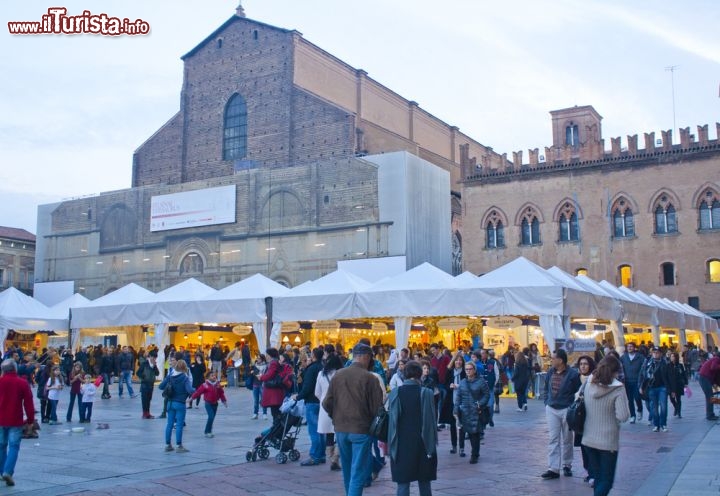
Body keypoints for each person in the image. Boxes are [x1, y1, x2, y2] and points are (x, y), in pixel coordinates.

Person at [322, 343, 384, 496]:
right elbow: (377, 409)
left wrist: (336, 416)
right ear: (367, 357)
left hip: (341, 428)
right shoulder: (370, 378)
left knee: (348, 470)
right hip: (361, 429)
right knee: (358, 471)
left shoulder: (338, 375)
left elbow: (326, 403)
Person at [581, 355, 631, 496]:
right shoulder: (618, 388)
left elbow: (577, 398)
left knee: (597, 478)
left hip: (588, 438)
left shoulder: (589, 381)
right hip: (608, 441)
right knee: (606, 481)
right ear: (615, 372)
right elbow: (623, 416)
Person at [388, 360, 437, 496]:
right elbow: (432, 421)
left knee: (403, 483)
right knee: (424, 482)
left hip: (401, 444)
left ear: (405, 374)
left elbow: (392, 423)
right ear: (420, 374)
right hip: (423, 443)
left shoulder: (395, 393)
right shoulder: (426, 393)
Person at [541, 348, 581, 479]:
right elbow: (546, 387)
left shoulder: (573, 374)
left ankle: (567, 465)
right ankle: (553, 468)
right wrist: (546, 401)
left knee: (567, 438)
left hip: (566, 409)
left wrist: (572, 406)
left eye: (553, 358)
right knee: (553, 438)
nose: (551, 360)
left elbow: (578, 391)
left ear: (560, 360)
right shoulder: (550, 372)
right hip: (552, 409)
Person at [0, 359, 35, 486]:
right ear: (15, 369)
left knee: (1, 446)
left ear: (3, 370)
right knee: (14, 446)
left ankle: (2, 471)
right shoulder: (22, 383)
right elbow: (29, 403)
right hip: (15, 420)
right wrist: (30, 420)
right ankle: (7, 472)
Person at [454, 360, 489, 464]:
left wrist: (479, 403)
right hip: (465, 411)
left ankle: (474, 454)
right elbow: (458, 397)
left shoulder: (481, 381)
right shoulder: (463, 382)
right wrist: (456, 409)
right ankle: (473, 452)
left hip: (476, 411)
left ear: (474, 370)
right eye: (466, 369)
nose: (468, 371)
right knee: (468, 432)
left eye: (470, 369)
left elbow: (486, 395)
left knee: (475, 434)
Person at [295, 346, 325, 466]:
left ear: (313, 356)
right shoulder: (323, 367)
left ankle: (314, 456)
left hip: (311, 401)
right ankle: (322, 454)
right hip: (321, 401)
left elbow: (307, 387)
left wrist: (298, 396)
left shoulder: (311, 369)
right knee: (321, 430)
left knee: (314, 430)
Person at [159, 359, 195, 453]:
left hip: (170, 403)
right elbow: (190, 390)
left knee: (169, 424)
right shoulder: (185, 378)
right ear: (184, 368)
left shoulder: (170, 376)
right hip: (180, 403)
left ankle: (168, 445)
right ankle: (179, 445)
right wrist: (197, 390)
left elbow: (160, 386)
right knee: (179, 425)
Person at [316, 350, 344, 472]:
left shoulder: (321, 374)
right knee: (340, 434)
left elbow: (317, 392)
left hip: (325, 407)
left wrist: (324, 399)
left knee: (329, 434)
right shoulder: (341, 374)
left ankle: (331, 457)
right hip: (340, 406)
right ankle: (335, 459)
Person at [575, 355, 596, 485]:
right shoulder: (576, 379)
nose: (583, 366)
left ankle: (594, 473)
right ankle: (588, 470)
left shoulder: (594, 379)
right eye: (581, 364)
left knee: (591, 446)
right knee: (583, 446)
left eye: (586, 364)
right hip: (579, 418)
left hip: (593, 417)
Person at [639, 346, 671, 432]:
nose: (655, 354)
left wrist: (671, 390)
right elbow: (643, 375)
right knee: (654, 407)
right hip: (651, 387)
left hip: (662, 387)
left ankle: (663, 424)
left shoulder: (665, 363)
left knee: (663, 406)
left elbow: (669, 377)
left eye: (657, 352)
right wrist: (641, 386)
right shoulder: (648, 363)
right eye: (654, 352)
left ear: (660, 354)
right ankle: (656, 425)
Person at [189, 370, 227, 438]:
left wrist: (224, 401)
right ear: (208, 377)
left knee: (212, 418)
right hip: (208, 403)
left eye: (214, 375)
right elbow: (198, 392)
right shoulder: (205, 385)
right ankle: (207, 431)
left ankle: (210, 430)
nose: (214, 377)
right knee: (211, 416)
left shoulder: (218, 384)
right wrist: (192, 398)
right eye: (212, 376)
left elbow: (221, 393)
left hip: (215, 403)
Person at [446, 352, 466, 456]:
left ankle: (462, 448)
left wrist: (458, 386)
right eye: (456, 360)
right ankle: (454, 446)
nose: (458, 362)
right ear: (453, 361)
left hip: (462, 402)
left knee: (461, 425)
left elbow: (467, 386)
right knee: (453, 425)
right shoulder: (449, 372)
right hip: (451, 401)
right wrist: (449, 386)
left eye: (460, 360)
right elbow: (445, 384)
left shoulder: (465, 372)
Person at [259, 348, 287, 421]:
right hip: (275, 391)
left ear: (270, 355)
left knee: (275, 413)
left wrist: (261, 377)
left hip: (274, 392)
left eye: (267, 354)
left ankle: (277, 429)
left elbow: (270, 375)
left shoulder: (273, 362)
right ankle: (277, 429)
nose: (266, 356)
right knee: (276, 412)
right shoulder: (275, 362)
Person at [620, 342, 644, 423]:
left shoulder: (640, 357)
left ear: (634, 348)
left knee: (637, 397)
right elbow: (620, 368)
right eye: (628, 346)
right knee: (630, 400)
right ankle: (632, 415)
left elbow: (644, 367)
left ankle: (640, 409)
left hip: (637, 381)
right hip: (627, 381)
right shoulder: (623, 357)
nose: (629, 348)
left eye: (631, 346)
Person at [697, 352, 720, 421]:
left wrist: (717, 386)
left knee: (712, 396)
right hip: (704, 378)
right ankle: (709, 415)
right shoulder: (716, 359)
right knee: (710, 397)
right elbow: (713, 367)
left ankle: (711, 414)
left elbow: (716, 377)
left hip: (707, 379)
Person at [137, 350, 160, 419]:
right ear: (149, 356)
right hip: (144, 384)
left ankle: (148, 413)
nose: (154, 359)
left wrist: (154, 366)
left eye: (155, 358)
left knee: (149, 399)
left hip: (151, 384)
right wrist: (143, 377)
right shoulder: (144, 363)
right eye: (153, 357)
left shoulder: (154, 365)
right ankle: (144, 413)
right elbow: (138, 373)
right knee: (144, 399)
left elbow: (157, 373)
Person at [668, 352, 688, 419]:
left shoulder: (680, 365)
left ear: (676, 357)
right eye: (671, 356)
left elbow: (684, 374)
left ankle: (679, 412)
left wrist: (685, 383)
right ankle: (676, 407)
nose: (672, 358)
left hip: (679, 384)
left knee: (678, 398)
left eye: (673, 356)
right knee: (672, 398)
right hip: (671, 384)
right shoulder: (668, 365)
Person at [249, 355, 268, 420]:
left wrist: (260, 375)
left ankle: (264, 413)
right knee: (256, 400)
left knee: (264, 399)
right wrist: (254, 373)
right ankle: (255, 413)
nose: (257, 359)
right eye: (257, 358)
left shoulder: (266, 366)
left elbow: (267, 374)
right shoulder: (255, 365)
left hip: (262, 384)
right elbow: (252, 372)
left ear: (262, 359)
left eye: (259, 358)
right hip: (255, 384)